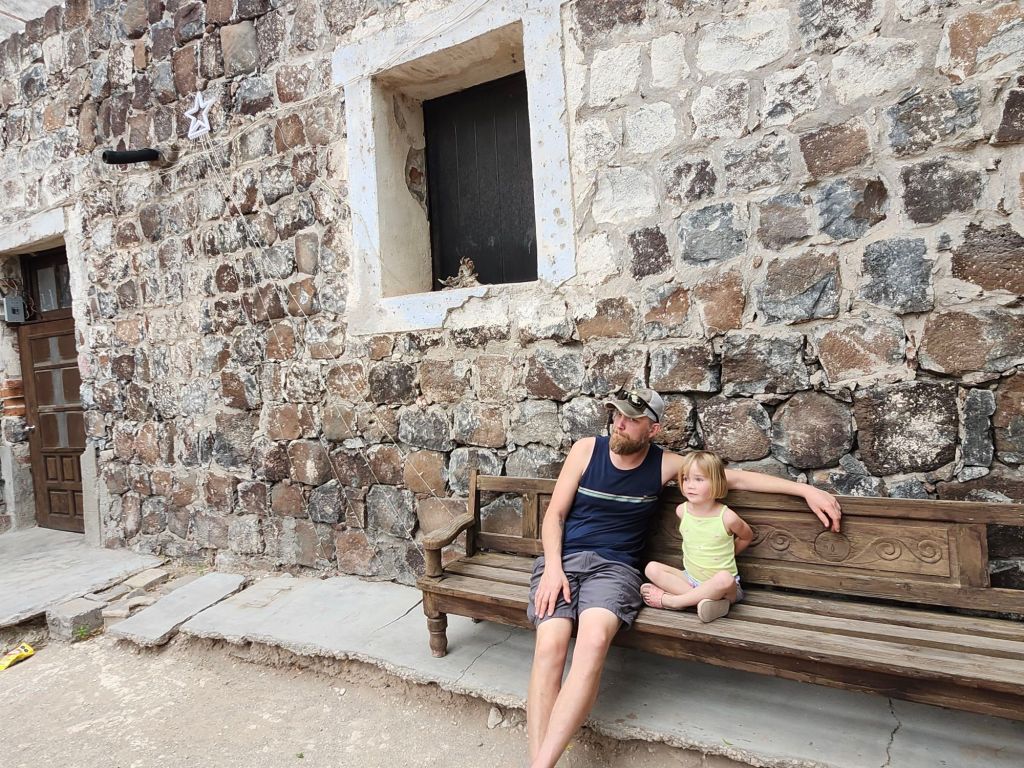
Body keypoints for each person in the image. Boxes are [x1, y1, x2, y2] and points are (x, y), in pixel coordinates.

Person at [526, 387, 841, 768]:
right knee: (550, 646)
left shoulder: (664, 465)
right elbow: (555, 516)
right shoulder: (586, 451)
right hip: (563, 562)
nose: (620, 424)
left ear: (653, 429)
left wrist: (803, 489)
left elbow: (734, 479)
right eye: (617, 415)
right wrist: (553, 568)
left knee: (592, 644)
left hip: (615, 569)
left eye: (632, 420)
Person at [640, 450, 751, 622]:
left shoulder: (727, 518)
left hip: (724, 588)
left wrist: (729, 553)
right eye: (686, 479)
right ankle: (705, 602)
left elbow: (747, 536)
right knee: (651, 568)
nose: (690, 485)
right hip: (690, 579)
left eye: (698, 479)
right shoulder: (682, 511)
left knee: (724, 578)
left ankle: (673, 601)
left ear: (716, 482)